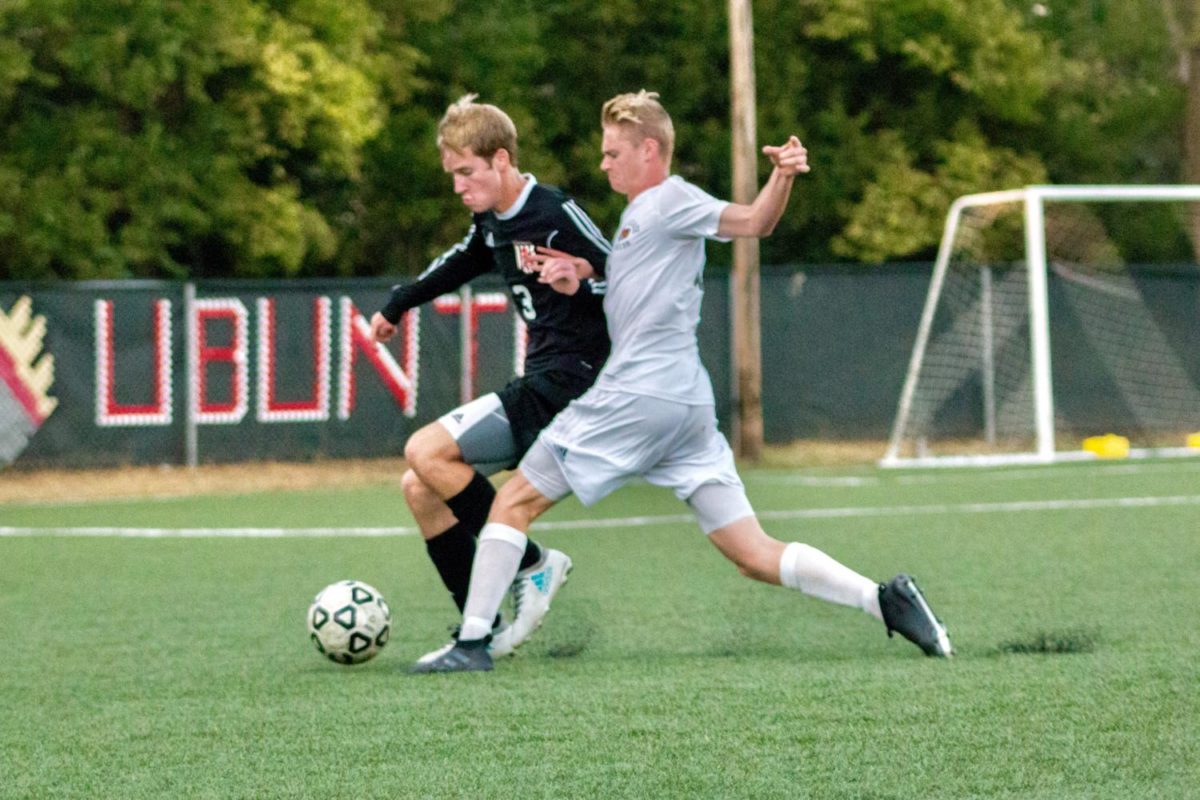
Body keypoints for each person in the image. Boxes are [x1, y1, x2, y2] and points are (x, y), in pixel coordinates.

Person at [411, 90, 953, 673]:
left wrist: (782, 177)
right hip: (684, 405)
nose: (604, 163)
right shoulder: (639, 217)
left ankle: (472, 645)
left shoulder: (670, 199)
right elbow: (635, 282)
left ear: (650, 150)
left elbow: (753, 222)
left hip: (637, 394)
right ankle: (883, 600)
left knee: (513, 501)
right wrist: (581, 275)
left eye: (613, 152)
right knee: (751, 552)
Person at [371, 95, 612, 661]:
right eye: (452, 174)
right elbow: (459, 261)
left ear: (501, 160)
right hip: (542, 380)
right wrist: (399, 304)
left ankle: (532, 563)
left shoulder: (554, 213)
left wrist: (583, 279)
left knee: (423, 450)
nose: (458, 186)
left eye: (466, 172)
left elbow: (631, 274)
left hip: (574, 381)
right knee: (420, 487)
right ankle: (478, 625)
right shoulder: (492, 221)